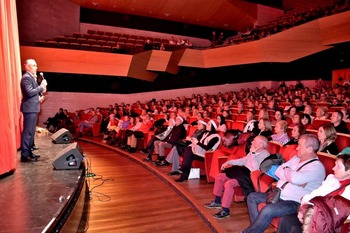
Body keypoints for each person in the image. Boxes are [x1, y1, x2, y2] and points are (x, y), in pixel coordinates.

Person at [242, 134, 326, 233]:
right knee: (252, 197)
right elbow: (278, 170)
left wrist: (288, 172)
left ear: (310, 149)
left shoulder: (316, 167)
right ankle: (255, 230)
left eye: (300, 145)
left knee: (268, 209)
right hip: (278, 195)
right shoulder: (296, 159)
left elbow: (295, 178)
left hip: (294, 202)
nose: (297, 148)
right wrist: (290, 173)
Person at [277, 153, 350, 233]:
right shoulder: (331, 179)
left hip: (327, 222)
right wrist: (304, 209)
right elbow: (314, 194)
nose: (333, 168)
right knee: (286, 219)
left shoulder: (347, 189)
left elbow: (343, 214)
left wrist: (310, 214)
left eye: (338, 166)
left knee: (296, 228)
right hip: (312, 213)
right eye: (335, 165)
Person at [204, 136, 270, 219]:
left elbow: (256, 169)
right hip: (242, 172)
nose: (252, 142)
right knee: (219, 176)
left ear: (260, 145)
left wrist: (253, 154)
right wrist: (229, 162)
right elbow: (243, 160)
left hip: (249, 177)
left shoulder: (265, 154)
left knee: (229, 183)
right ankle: (217, 201)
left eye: (254, 141)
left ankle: (225, 210)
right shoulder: (253, 151)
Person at [20, 59, 47, 162]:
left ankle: (29, 153)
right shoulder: (26, 78)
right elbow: (30, 92)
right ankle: (25, 155)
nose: (36, 67)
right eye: (34, 65)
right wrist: (41, 86)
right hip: (29, 109)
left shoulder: (31, 77)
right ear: (27, 67)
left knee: (31, 132)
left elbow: (33, 94)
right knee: (28, 133)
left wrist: (39, 97)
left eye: (36, 65)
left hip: (33, 108)